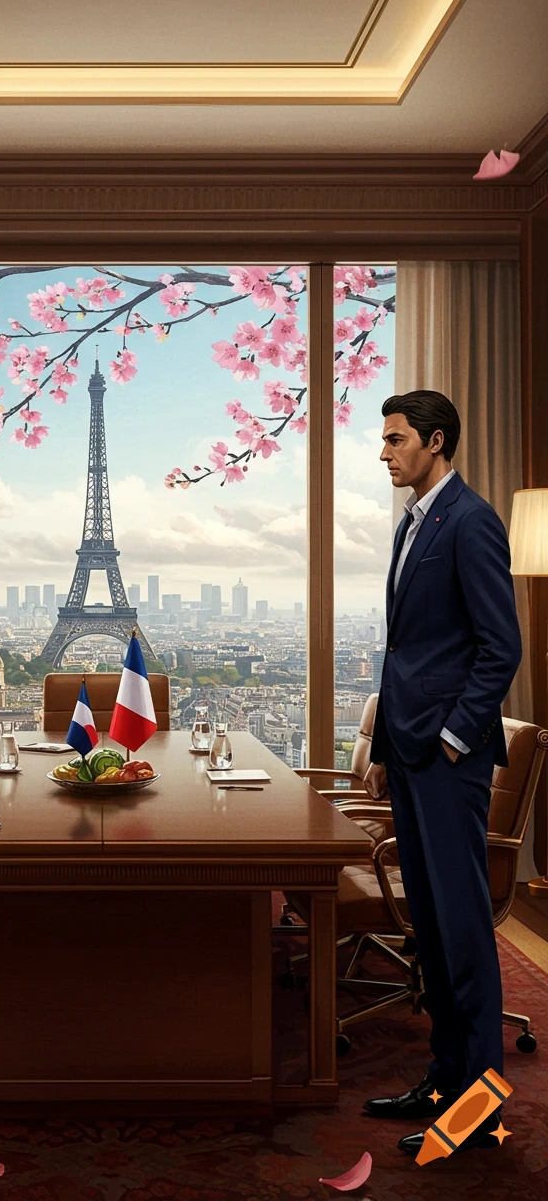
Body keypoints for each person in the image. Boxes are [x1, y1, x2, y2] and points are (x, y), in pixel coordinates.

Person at [360, 391, 522, 1156]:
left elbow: (501, 647)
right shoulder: (416, 523)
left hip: (448, 762)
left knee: (463, 939)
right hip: (417, 754)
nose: (385, 452)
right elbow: (408, 655)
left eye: (394, 440)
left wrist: (455, 739)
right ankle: (443, 1078)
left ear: (435, 440)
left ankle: (477, 1112)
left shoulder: (472, 521)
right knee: (432, 929)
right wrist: (392, 751)